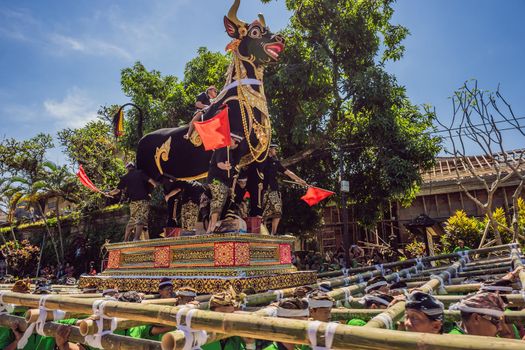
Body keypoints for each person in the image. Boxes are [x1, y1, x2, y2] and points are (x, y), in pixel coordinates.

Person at [262, 144, 308, 235]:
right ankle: (262, 232)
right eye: (274, 149)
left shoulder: (276, 162)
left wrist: (299, 180)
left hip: (274, 189)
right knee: (263, 212)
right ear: (270, 150)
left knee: (278, 211)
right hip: (263, 189)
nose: (275, 151)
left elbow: (288, 172)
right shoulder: (261, 161)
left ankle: (273, 233)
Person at [108, 162, 157, 241]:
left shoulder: (124, 177)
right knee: (141, 218)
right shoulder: (140, 173)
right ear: (134, 167)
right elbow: (151, 181)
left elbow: (117, 190)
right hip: (143, 200)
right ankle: (136, 238)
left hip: (133, 202)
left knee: (132, 219)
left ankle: (125, 240)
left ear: (127, 168)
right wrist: (155, 187)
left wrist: (109, 193)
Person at [206, 134, 243, 234]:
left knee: (220, 203)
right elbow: (219, 164)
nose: (236, 145)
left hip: (224, 182)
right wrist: (226, 167)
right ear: (232, 140)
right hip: (216, 180)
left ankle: (211, 227)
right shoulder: (222, 148)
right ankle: (213, 227)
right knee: (218, 201)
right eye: (236, 142)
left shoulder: (229, 153)